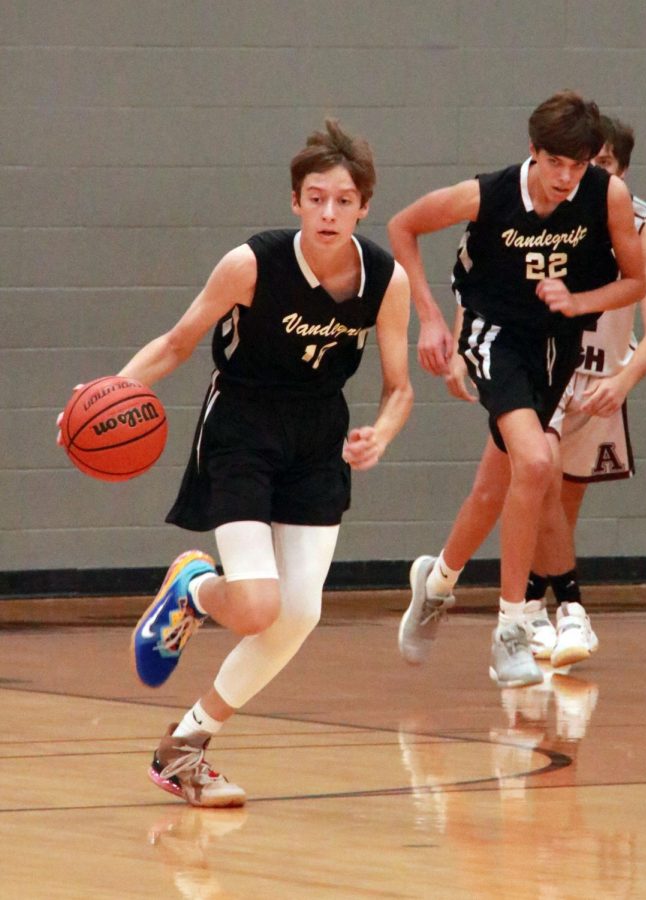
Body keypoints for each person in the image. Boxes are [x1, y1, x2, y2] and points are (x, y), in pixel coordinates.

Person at [61, 119, 413, 806]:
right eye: (316, 198)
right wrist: (102, 394)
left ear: (364, 204)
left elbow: (399, 386)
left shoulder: (385, 279)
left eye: (343, 200)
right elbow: (176, 342)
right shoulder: (251, 264)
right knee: (255, 605)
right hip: (243, 426)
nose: (329, 212)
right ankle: (194, 590)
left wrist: (384, 432)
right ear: (294, 202)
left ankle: (184, 747)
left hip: (318, 433)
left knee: (299, 614)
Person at [389, 91, 646, 688]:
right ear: (533, 152)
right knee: (537, 460)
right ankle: (512, 630)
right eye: (555, 163)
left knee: (498, 484)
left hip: (557, 344)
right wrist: (429, 319)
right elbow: (403, 227)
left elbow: (634, 281)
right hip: (493, 333)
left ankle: (436, 583)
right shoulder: (488, 194)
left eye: (578, 166)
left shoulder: (607, 196)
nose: (565, 178)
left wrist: (579, 300)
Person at [525, 114, 646, 666]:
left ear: (621, 170)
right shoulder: (544, 211)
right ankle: (563, 609)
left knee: (563, 501)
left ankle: (532, 608)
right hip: (541, 369)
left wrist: (624, 379)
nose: (589, 176)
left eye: (603, 165)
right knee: (536, 484)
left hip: (601, 374)